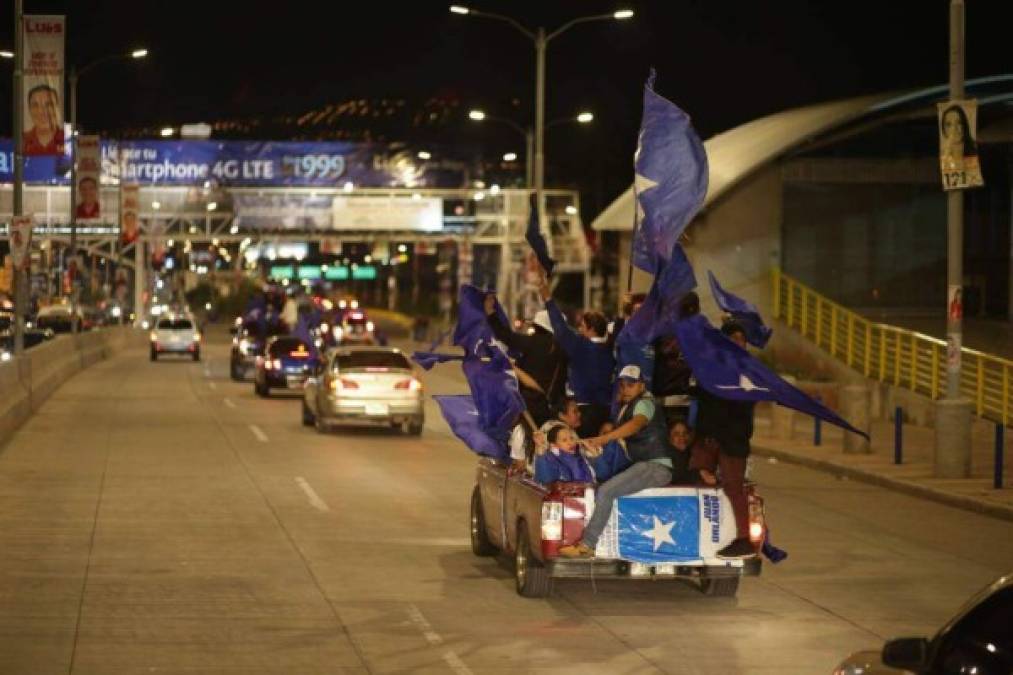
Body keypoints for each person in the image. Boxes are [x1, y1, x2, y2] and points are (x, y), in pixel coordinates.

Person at [558, 365, 674, 559]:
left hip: (655, 466)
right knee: (605, 488)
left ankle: (587, 545)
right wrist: (595, 455)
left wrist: (605, 438)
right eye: (623, 385)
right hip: (645, 466)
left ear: (641, 386)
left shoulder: (644, 404)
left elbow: (637, 424)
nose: (626, 388)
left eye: (631, 384)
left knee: (606, 492)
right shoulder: (627, 407)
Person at [689, 320, 757, 559]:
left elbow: (738, 410)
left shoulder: (747, 371)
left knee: (734, 488)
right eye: (733, 338)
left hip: (732, 441)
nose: (739, 343)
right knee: (696, 474)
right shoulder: (712, 368)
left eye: (742, 339)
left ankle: (744, 538)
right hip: (712, 438)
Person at [537, 275, 615, 438]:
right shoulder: (610, 347)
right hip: (607, 412)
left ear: (591, 329)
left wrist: (549, 300)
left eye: (582, 326)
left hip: (584, 413)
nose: (579, 329)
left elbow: (560, 328)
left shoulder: (581, 346)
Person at [484, 293, 567, 427]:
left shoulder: (533, 342)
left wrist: (490, 313)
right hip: (551, 408)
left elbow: (505, 335)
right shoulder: (563, 349)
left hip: (528, 405)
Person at [667, 419, 716, 486]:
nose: (682, 437)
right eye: (676, 434)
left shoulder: (688, 453)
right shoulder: (667, 456)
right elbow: (676, 477)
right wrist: (700, 473)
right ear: (669, 438)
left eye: (685, 433)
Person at [24, 85, 64, 156]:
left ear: (57, 108)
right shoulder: (20, 141)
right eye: (35, 105)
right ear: (29, 110)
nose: (41, 112)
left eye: (48, 105)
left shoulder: (68, 140)